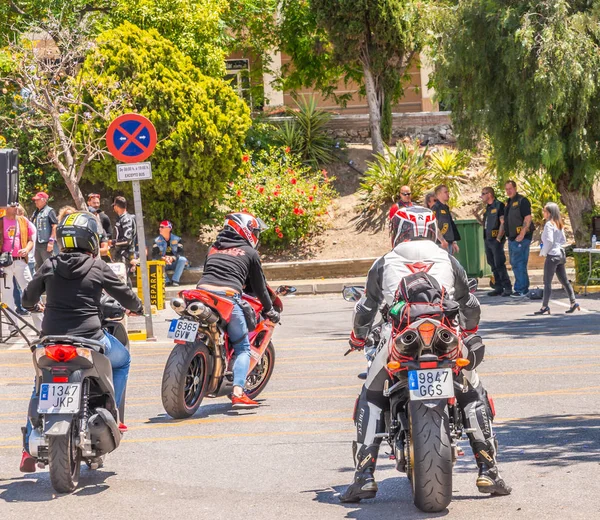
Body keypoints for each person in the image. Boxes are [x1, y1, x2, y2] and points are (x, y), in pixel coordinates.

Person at [339, 206, 511, 503]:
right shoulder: (448, 259)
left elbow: (366, 308)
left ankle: (364, 475)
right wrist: (469, 332)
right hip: (445, 340)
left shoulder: (385, 262)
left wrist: (357, 337)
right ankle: (488, 470)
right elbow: (469, 304)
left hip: (401, 341)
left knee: (371, 395)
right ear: (432, 230)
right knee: (474, 392)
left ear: (397, 230)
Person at [20, 211, 143, 472]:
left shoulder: (50, 264)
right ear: (91, 241)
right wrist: (137, 307)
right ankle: (116, 418)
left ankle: (25, 449)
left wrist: (34, 303)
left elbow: (28, 298)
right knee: (123, 361)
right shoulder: (97, 267)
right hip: (91, 340)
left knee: (41, 381)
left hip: (51, 340)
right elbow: (125, 295)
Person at [196, 212, 280, 409]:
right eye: (255, 231)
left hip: (201, 293)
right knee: (243, 346)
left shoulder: (213, 248)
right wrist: (269, 310)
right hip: (227, 298)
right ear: (246, 230)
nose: (257, 236)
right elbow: (259, 287)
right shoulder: (250, 253)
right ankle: (238, 392)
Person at [535, 203, 579, 315]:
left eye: (545, 211)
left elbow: (549, 240)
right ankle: (573, 302)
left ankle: (544, 306)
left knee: (547, 282)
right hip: (560, 254)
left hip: (552, 255)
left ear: (549, 213)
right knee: (564, 280)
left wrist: (543, 251)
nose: (543, 213)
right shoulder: (559, 223)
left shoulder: (549, 224)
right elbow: (563, 240)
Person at [0, 203, 37, 327]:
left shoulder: (23, 221)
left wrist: (26, 249)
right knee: (7, 296)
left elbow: (31, 240)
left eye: (17, 205)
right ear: (6, 208)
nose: (16, 208)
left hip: (21, 261)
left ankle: (41, 326)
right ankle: (13, 327)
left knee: (31, 291)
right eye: (13, 205)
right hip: (5, 264)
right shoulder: (1, 222)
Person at [480, 187, 512, 297]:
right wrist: (476, 215)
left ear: (489, 194)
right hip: (487, 239)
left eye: (483, 194)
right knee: (492, 264)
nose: (482, 196)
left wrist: (499, 238)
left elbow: (502, 222)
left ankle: (507, 287)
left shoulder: (499, 205)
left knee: (499, 264)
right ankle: (498, 287)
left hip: (495, 239)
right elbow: (484, 224)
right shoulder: (488, 208)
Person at [504, 180, 533, 297]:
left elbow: (527, 218)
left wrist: (522, 233)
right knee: (514, 263)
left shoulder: (522, 201)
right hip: (512, 238)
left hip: (522, 238)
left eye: (510, 189)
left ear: (515, 188)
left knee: (520, 262)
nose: (508, 191)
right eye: (506, 189)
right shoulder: (509, 202)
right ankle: (521, 287)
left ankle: (522, 289)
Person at [152, 220, 187, 286]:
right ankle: (166, 280)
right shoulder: (156, 241)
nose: (160, 229)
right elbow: (155, 254)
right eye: (159, 227)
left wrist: (172, 258)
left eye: (162, 227)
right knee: (154, 261)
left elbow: (181, 252)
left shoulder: (177, 239)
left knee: (183, 259)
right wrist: (163, 258)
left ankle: (175, 280)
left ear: (168, 229)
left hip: (174, 262)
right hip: (163, 263)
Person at [30, 192, 58, 269]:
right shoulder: (35, 212)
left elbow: (55, 226)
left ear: (44, 200)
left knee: (49, 266)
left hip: (46, 244)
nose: (35, 202)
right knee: (39, 267)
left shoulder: (49, 211)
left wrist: (51, 242)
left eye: (37, 200)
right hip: (37, 244)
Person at [432, 184, 461, 254]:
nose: (448, 194)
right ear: (439, 194)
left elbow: (450, 225)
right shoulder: (436, 208)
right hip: (440, 243)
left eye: (448, 192)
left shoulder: (446, 207)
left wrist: (454, 242)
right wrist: (442, 240)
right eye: (445, 192)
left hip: (449, 241)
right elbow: (434, 225)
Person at [112, 196, 137, 271]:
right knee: (123, 279)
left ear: (116, 206)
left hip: (125, 255)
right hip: (121, 254)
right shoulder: (121, 218)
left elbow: (127, 240)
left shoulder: (126, 219)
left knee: (123, 278)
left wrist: (113, 242)